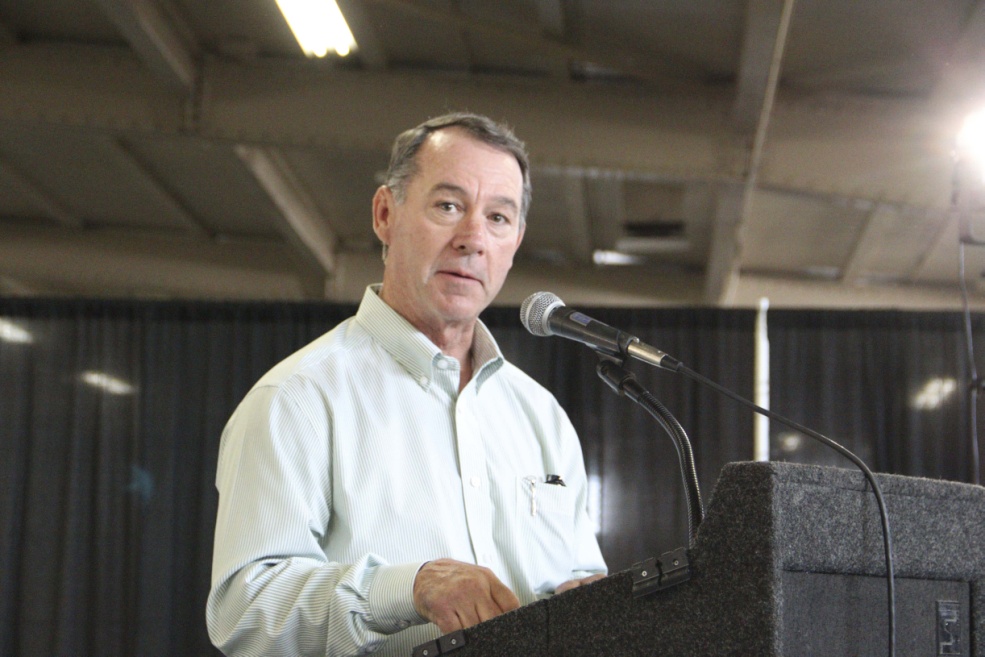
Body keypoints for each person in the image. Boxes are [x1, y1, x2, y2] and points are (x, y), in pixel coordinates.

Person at [206, 112, 606, 657]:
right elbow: (244, 611)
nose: (473, 240)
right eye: (448, 206)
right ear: (385, 214)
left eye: (497, 218)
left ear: (515, 243)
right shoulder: (298, 398)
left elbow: (579, 573)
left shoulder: (542, 415)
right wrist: (410, 589)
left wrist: (590, 601)